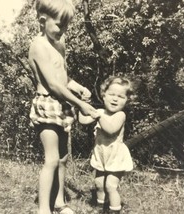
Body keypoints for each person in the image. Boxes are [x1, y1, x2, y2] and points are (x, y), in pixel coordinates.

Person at [28, 0, 99, 214]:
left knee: (62, 158)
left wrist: (79, 88)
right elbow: (53, 85)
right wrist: (80, 105)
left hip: (62, 103)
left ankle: (59, 203)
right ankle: (43, 209)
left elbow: (63, 78)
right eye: (60, 24)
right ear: (42, 21)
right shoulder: (38, 46)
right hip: (48, 103)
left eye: (67, 25)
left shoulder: (59, 42)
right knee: (51, 159)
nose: (63, 30)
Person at [79, 76, 134, 214]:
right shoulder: (101, 112)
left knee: (110, 186)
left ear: (127, 100)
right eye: (111, 94)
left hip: (115, 156)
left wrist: (98, 116)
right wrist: (82, 103)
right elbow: (83, 120)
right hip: (101, 154)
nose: (115, 99)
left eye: (120, 96)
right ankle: (100, 208)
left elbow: (110, 130)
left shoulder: (120, 115)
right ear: (103, 96)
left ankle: (114, 210)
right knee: (99, 184)